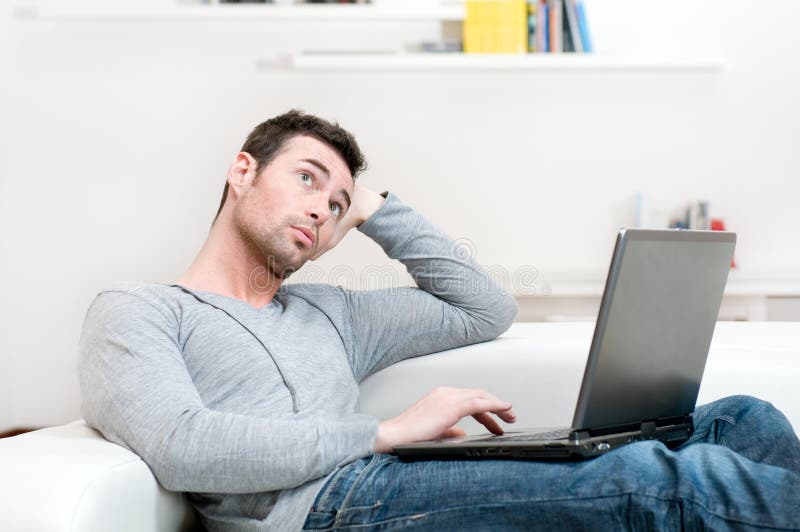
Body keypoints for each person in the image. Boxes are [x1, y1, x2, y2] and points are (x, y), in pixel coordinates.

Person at [79, 110, 800, 531]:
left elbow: (485, 306)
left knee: (742, 419)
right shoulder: (138, 311)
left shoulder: (330, 314)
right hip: (327, 509)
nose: (320, 209)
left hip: (386, 477)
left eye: (335, 205)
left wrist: (374, 210)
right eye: (306, 177)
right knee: (668, 484)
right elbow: (183, 446)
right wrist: (387, 433)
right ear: (242, 172)